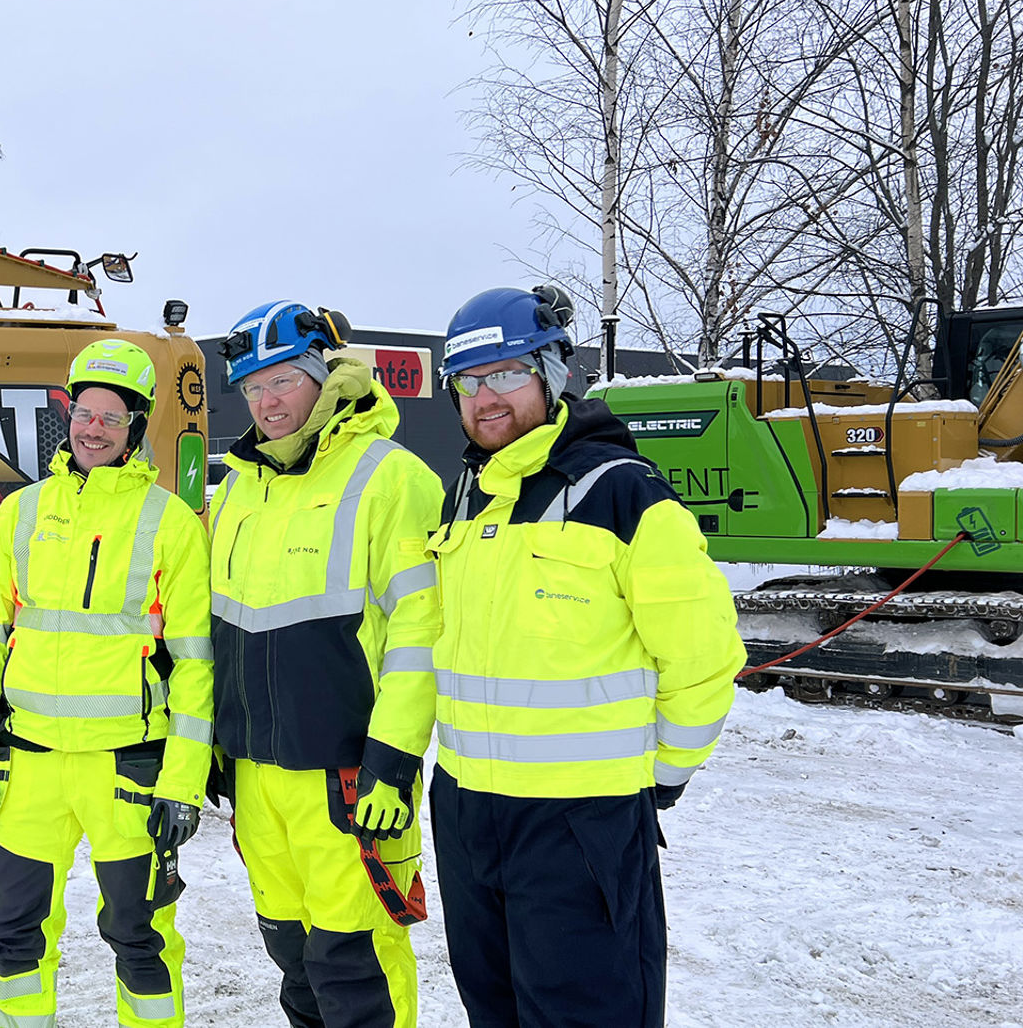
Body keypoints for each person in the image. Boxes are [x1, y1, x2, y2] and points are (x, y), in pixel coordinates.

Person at [426, 285, 746, 1027]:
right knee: (494, 1008)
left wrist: (658, 777)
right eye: (469, 383)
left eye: (506, 374)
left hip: (581, 823)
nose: (487, 398)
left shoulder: (624, 494)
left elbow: (704, 657)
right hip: (469, 815)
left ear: (551, 372)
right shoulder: (465, 500)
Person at [0, 338, 214, 1028]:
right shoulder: (22, 513)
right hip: (30, 768)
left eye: (111, 416)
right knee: (12, 936)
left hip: (127, 771)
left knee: (141, 940)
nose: (92, 428)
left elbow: (195, 665)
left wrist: (183, 782)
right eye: (84, 411)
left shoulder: (171, 523)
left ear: (136, 425)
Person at [209, 300, 442, 1028]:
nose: (267, 403)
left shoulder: (392, 477)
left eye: (281, 382)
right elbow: (216, 626)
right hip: (257, 774)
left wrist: (395, 756)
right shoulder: (239, 487)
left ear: (323, 374)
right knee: (293, 955)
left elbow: (420, 630)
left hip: (349, 777)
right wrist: (216, 744)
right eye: (252, 389)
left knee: (357, 963)